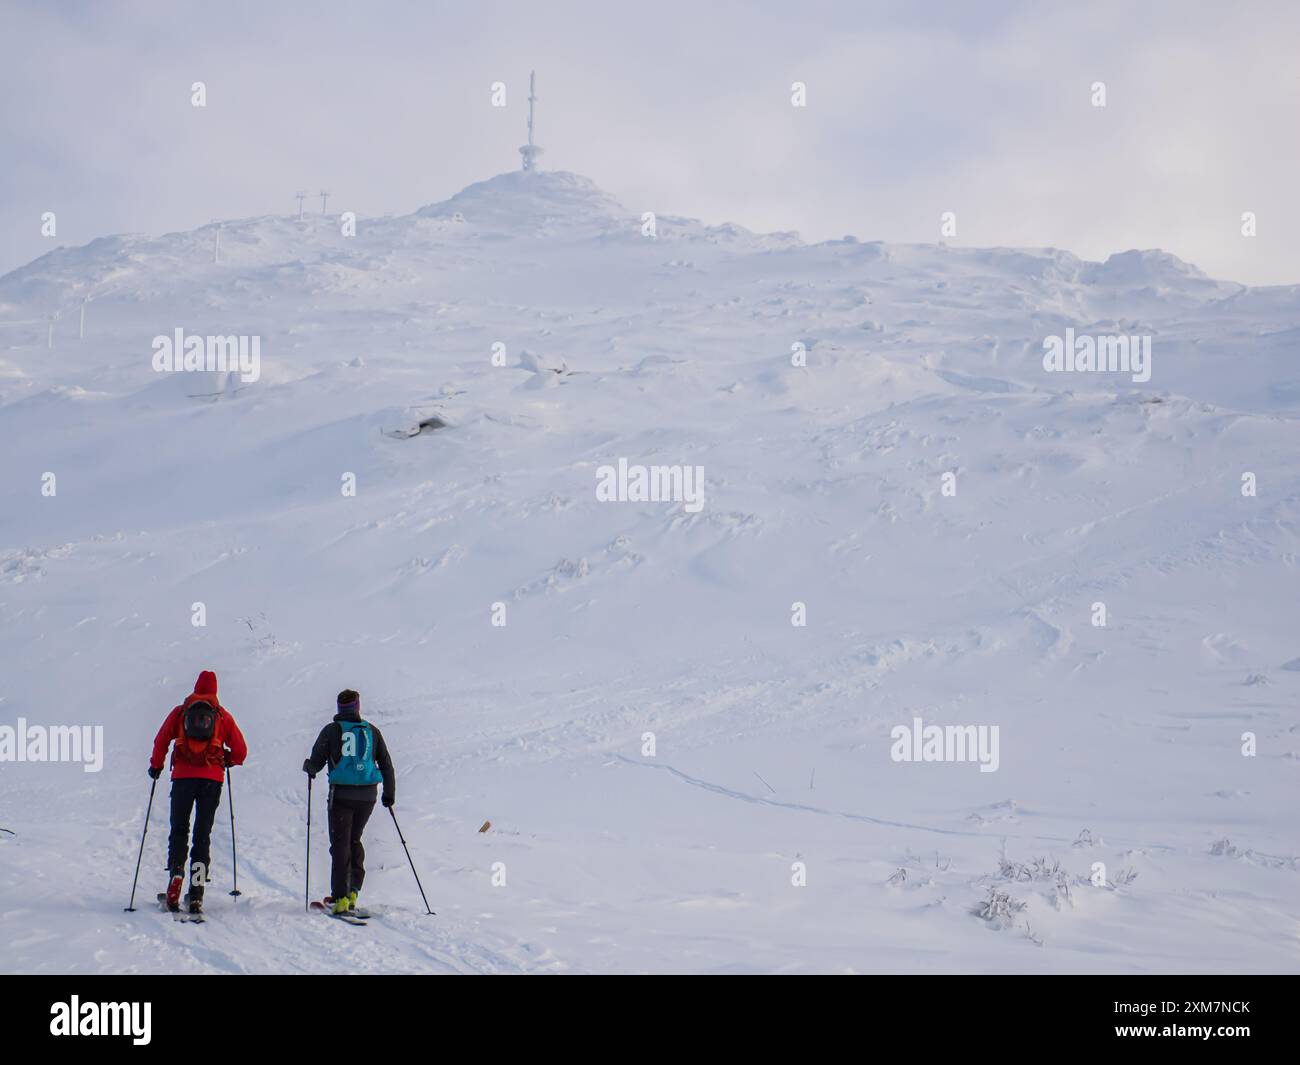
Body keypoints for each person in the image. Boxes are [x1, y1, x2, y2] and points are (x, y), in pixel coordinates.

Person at [149, 670, 247, 914]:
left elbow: (161, 739)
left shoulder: (181, 712)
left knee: (179, 831)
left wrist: (156, 765)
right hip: (211, 781)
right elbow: (241, 750)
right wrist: (228, 759)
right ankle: (196, 893)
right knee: (203, 835)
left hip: (182, 778)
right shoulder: (222, 716)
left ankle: (177, 874)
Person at [303, 690, 395, 915]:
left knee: (340, 844)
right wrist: (389, 794)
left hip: (341, 796)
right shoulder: (372, 731)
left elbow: (316, 762)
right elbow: (386, 764)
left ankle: (340, 898)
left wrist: (309, 767)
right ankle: (353, 890)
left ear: (339, 708)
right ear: (357, 706)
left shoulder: (331, 731)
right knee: (354, 839)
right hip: (368, 796)